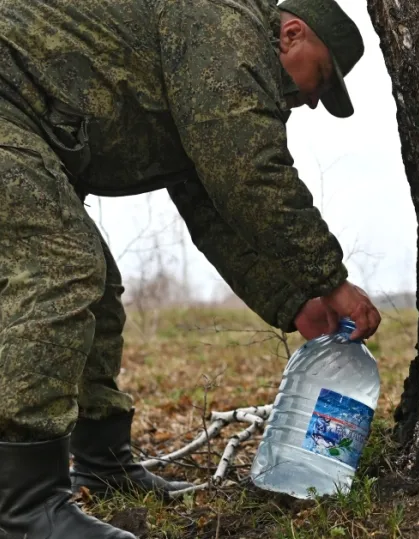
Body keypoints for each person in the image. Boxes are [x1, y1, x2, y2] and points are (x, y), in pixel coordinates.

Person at [0, 0, 381, 536]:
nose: (312, 101)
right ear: (291, 35)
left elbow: (212, 202)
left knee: (96, 288)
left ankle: (103, 464)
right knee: (62, 269)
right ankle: (23, 507)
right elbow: (247, 172)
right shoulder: (223, 27)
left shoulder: (208, 75)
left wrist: (294, 299)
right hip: (8, 102)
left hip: (29, 122)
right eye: (319, 79)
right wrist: (331, 281)